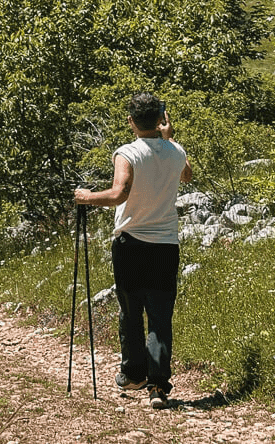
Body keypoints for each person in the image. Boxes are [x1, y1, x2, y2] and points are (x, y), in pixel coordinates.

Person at [74, 92, 193, 409]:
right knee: (160, 314)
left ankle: (134, 374)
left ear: (131, 121)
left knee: (130, 311)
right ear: (160, 119)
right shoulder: (176, 152)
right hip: (165, 245)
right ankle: (158, 385)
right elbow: (187, 175)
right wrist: (169, 139)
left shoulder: (127, 153)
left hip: (131, 243)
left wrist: (86, 197)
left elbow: (119, 193)